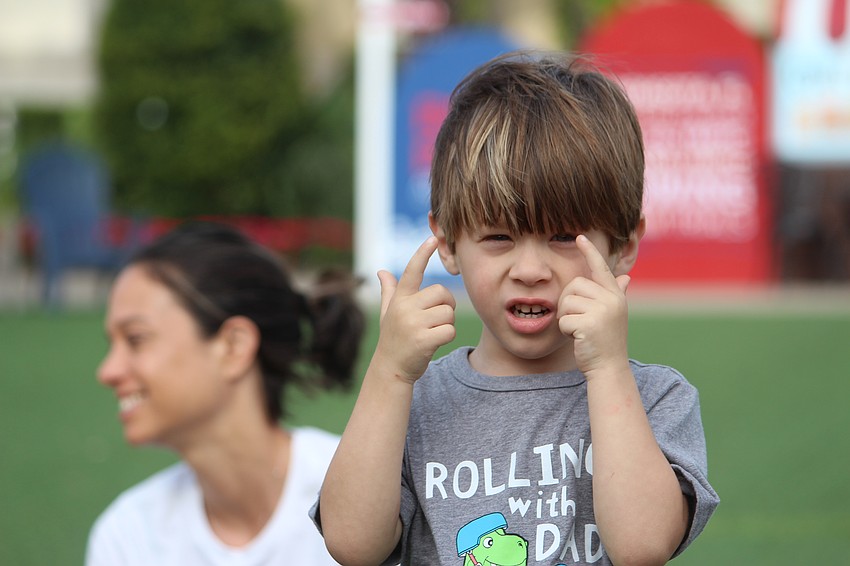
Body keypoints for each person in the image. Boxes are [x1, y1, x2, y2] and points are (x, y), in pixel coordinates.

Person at [313, 51, 719, 565]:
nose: (531, 268)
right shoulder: (415, 404)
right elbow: (351, 543)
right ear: (449, 243)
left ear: (623, 243)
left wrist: (608, 367)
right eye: (499, 237)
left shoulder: (658, 399)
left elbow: (642, 547)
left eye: (562, 237)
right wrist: (390, 373)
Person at [86, 221, 363, 565]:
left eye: (136, 339)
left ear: (233, 346)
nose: (107, 371)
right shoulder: (129, 535)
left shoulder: (373, 497)